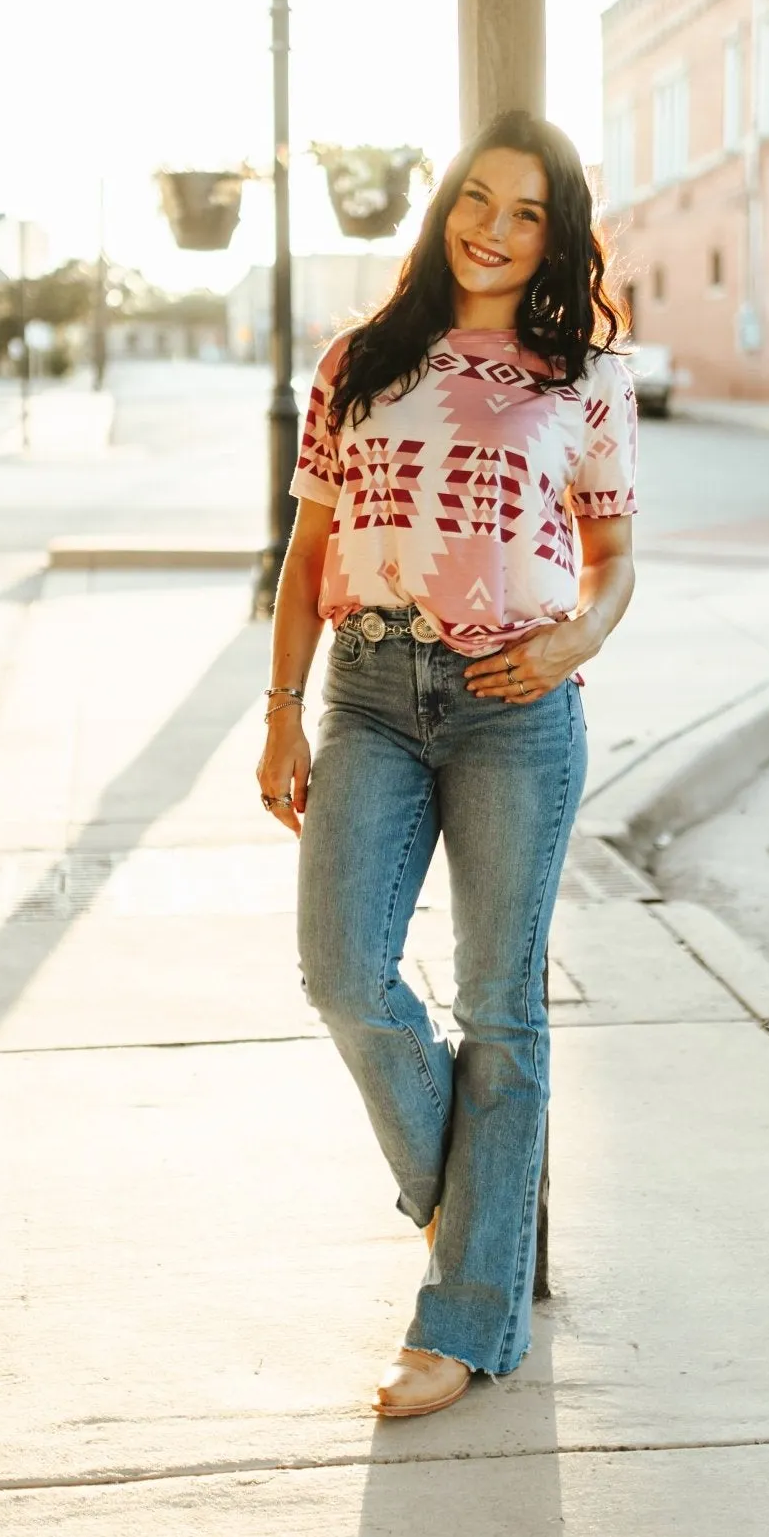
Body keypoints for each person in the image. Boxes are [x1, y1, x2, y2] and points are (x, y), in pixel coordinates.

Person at [257, 108, 638, 1418]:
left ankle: (462, 1320)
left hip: (514, 703)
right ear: (445, 206)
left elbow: (615, 557)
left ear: (556, 236)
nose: (494, 227)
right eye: (479, 198)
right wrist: (278, 711)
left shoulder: (585, 372)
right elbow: (307, 557)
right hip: (366, 691)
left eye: (527, 211)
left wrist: (575, 640)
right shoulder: (361, 361)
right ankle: (464, 1211)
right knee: (346, 973)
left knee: (501, 1005)